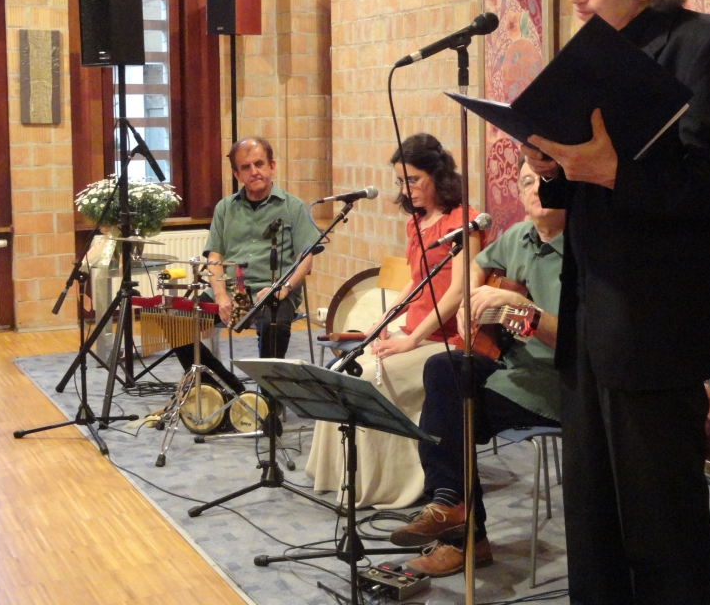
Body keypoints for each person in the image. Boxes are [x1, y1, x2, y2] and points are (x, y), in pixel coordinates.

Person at [522, 0, 710, 605]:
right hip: (592, 320)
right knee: (591, 518)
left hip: (659, 326)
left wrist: (611, 172)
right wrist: (553, 170)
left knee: (662, 524)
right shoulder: (597, 60)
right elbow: (584, 191)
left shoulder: (705, 47)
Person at [389, 159, 564, 577]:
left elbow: (581, 340)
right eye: (526, 181)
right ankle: (453, 508)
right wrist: (472, 294)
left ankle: (462, 535)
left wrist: (522, 308)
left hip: (559, 381)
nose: (535, 188)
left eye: (545, 179)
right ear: (518, 194)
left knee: (451, 416)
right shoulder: (519, 236)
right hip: (512, 369)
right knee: (444, 368)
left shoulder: (586, 248)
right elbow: (475, 264)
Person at [305, 133, 484, 508]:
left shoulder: (464, 222)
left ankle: (381, 485)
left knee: (367, 379)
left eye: (413, 180)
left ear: (438, 175)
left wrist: (411, 340)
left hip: (445, 343)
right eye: (401, 181)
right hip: (415, 331)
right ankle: (338, 476)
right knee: (341, 370)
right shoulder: (416, 223)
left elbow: (457, 292)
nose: (405, 190)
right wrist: (382, 320)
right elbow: (416, 283)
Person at [171, 137, 319, 391]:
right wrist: (220, 294)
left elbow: (306, 257)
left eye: (259, 164)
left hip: (275, 292)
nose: (254, 171)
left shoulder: (293, 207)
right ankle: (229, 390)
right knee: (177, 321)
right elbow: (214, 257)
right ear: (237, 174)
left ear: (272, 166)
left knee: (273, 323)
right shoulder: (225, 208)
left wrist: (285, 287)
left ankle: (269, 398)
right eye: (246, 167)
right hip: (231, 290)